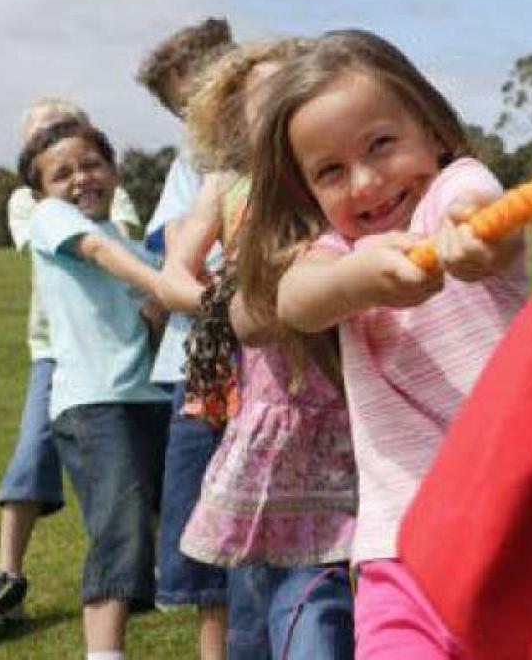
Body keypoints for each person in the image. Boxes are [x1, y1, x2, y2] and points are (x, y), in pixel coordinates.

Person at [237, 29, 527, 658]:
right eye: (331, 172)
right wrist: (356, 279)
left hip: (528, 523)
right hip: (400, 547)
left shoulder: (455, 189)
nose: (365, 183)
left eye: (381, 145)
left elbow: (480, 213)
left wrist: (473, 240)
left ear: (433, 131)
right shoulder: (335, 252)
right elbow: (295, 300)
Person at [164, 39, 356, 659]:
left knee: (326, 583)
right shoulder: (226, 185)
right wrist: (234, 309)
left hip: (349, 402)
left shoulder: (332, 173)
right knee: (264, 583)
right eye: (260, 100)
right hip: (272, 404)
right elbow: (175, 276)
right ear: (232, 121)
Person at [0, 97, 140, 627]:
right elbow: (74, 240)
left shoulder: (111, 192)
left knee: (133, 464)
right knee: (32, 452)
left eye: (62, 131)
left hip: (112, 345)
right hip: (55, 351)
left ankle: (138, 572)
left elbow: (121, 236)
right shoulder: (29, 204)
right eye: (40, 138)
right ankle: (7, 572)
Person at [21, 118, 171, 660]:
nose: (82, 178)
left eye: (92, 164)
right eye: (63, 173)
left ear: (114, 170)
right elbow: (99, 255)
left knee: (168, 527)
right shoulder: (50, 218)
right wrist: (166, 286)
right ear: (43, 190)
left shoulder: (132, 243)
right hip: (95, 403)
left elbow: (151, 314)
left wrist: (159, 305)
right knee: (120, 530)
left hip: (150, 399)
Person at [135, 17, 234, 660]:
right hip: (201, 359)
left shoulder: (281, 139)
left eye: (198, 95)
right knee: (206, 519)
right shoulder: (190, 160)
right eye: (180, 107)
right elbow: (167, 245)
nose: (192, 114)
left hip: (275, 352)